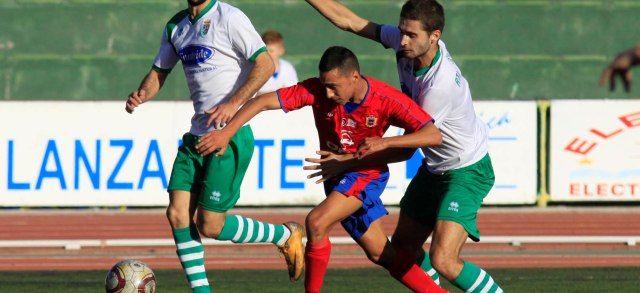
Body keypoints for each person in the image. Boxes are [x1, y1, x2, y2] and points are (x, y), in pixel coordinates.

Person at [195, 46, 446, 293]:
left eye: (333, 86)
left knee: (316, 223)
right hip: (336, 175)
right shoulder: (316, 90)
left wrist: (384, 142)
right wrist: (226, 132)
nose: (326, 93)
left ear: (354, 77)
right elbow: (262, 101)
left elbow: (433, 135)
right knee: (380, 252)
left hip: (365, 174)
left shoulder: (386, 99)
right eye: (324, 84)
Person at [304, 0, 503, 292]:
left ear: (434, 36)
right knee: (404, 249)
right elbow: (349, 20)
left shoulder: (439, 86)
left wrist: (356, 157)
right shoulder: (405, 43)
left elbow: (409, 147)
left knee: (444, 260)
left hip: (467, 170)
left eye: (412, 35)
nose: (404, 41)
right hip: (435, 168)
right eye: (402, 32)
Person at [124, 0, 304, 291]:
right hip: (196, 135)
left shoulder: (229, 17)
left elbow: (265, 64)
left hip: (229, 135)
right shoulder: (176, 26)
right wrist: (143, 93)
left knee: (210, 226)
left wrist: (234, 105)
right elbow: (159, 71)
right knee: (177, 214)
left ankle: (283, 234)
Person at [257, 30, 299, 95]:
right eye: (265, 50)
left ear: (281, 51)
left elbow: (292, 93)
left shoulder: (288, 68)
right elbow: (252, 94)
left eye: (271, 51)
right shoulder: (255, 69)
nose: (268, 54)